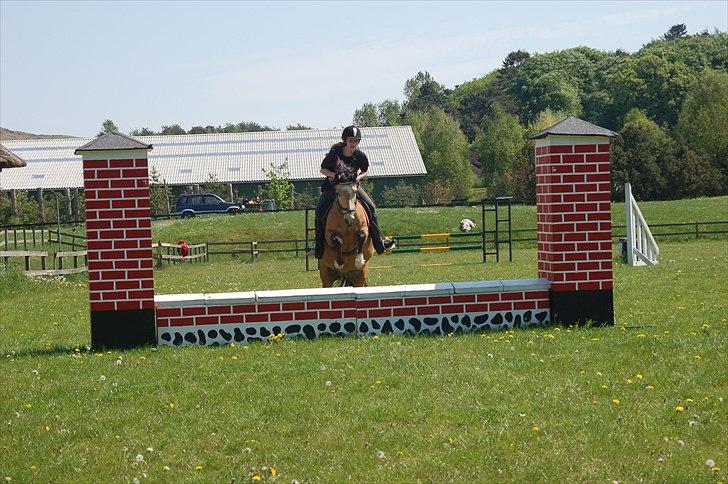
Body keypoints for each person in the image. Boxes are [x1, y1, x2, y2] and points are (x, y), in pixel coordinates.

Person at [311, 125, 396, 259]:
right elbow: (322, 170)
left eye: (356, 141)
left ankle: (379, 243)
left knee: (371, 208)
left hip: (352, 188)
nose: (353, 143)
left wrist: (358, 177)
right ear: (345, 140)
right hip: (333, 188)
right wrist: (334, 175)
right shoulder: (335, 152)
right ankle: (318, 245)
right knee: (319, 211)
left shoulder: (360, 155)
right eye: (351, 140)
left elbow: (365, 171)